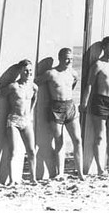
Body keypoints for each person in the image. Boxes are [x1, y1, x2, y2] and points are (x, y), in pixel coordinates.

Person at [35, 48, 84, 180]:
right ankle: (60, 173)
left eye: (71, 59)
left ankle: (80, 172)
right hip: (55, 108)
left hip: (70, 107)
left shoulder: (73, 73)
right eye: (67, 58)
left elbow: (73, 85)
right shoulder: (51, 73)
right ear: (60, 58)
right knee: (59, 141)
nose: (69, 61)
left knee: (78, 140)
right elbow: (35, 82)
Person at [0, 59, 38, 185]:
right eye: (26, 71)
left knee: (32, 151)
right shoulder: (14, 86)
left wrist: (30, 112)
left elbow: (34, 99)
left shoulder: (33, 87)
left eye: (30, 71)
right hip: (13, 121)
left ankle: (33, 179)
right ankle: (11, 181)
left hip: (26, 121)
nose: (28, 73)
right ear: (20, 71)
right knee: (12, 151)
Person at [80, 36, 109, 175]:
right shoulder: (98, 64)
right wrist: (84, 103)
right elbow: (89, 85)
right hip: (100, 101)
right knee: (99, 136)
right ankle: (100, 168)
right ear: (104, 47)